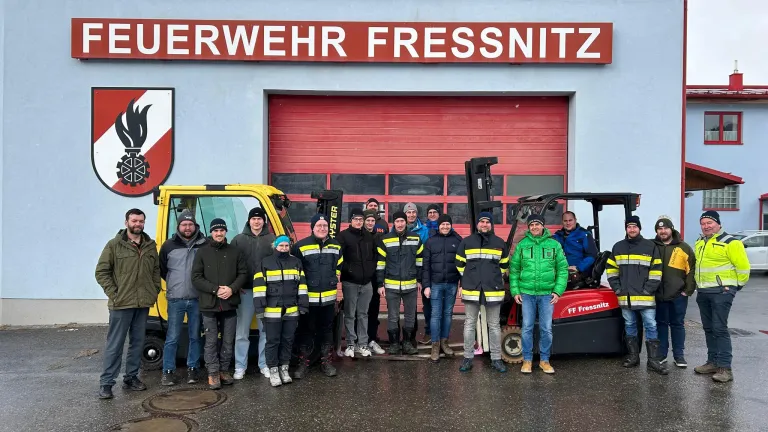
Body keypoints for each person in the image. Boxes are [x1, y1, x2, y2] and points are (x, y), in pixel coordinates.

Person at [95, 208, 161, 399]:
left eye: (141, 221)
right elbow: (101, 272)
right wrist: (114, 294)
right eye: (134, 221)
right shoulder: (114, 245)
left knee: (137, 343)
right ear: (126, 223)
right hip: (121, 304)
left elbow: (155, 270)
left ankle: (131, 378)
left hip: (142, 304)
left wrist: (154, 289)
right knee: (115, 344)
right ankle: (107, 383)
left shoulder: (150, 246)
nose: (137, 224)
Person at [693, 210, 750, 383]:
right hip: (703, 291)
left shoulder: (731, 242)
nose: (706, 226)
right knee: (709, 328)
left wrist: (733, 287)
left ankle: (725, 368)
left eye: (709, 223)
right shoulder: (700, 242)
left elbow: (743, 267)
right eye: (703, 223)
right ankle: (713, 362)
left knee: (719, 328)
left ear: (718, 224)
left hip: (721, 292)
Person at [605, 216, 666, 375]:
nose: (632, 229)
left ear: (640, 228)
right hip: (626, 298)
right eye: (629, 227)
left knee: (651, 326)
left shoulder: (650, 246)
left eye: (634, 227)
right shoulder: (618, 247)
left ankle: (653, 360)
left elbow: (657, 271)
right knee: (630, 326)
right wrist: (618, 289)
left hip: (646, 298)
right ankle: (633, 357)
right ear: (626, 229)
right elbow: (611, 270)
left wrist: (648, 290)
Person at [191, 218, 248, 389]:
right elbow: (196, 278)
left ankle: (224, 370)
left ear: (225, 232)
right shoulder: (202, 252)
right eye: (215, 230)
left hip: (230, 304)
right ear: (211, 232)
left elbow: (243, 273)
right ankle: (213, 373)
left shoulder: (235, 252)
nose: (219, 233)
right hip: (209, 304)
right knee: (210, 340)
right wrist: (215, 289)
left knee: (228, 340)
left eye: (221, 230)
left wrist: (232, 289)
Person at [509, 214, 568, 374]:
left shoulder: (554, 245)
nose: (534, 227)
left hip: (547, 294)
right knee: (527, 327)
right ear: (528, 227)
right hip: (527, 293)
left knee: (546, 328)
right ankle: (527, 360)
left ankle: (544, 360)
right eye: (532, 225)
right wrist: (515, 291)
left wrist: (558, 291)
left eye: (537, 224)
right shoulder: (522, 246)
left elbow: (562, 270)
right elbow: (514, 270)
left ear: (543, 226)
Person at [455, 212, 510, 373]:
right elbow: (459, 263)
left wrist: (492, 277)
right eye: (482, 221)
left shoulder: (500, 243)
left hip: (493, 291)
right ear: (477, 224)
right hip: (472, 290)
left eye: (487, 222)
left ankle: (496, 358)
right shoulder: (467, 242)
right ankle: (467, 358)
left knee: (494, 326)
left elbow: (504, 265)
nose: (484, 224)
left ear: (491, 225)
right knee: (469, 324)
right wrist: (469, 278)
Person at [158, 210, 208, 386]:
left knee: (195, 336)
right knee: (172, 337)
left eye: (190, 224)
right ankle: (168, 371)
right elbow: (163, 270)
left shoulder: (204, 244)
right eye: (184, 224)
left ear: (195, 226)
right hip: (176, 299)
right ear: (178, 226)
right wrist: (174, 283)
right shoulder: (168, 246)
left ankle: (193, 369)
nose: (187, 227)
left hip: (197, 299)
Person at [253, 235, 309, 387]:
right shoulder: (265, 263)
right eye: (281, 245)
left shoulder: (296, 262)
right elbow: (258, 288)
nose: (284, 248)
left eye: (286, 245)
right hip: (271, 310)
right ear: (275, 246)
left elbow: (302, 286)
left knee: (287, 340)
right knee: (272, 341)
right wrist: (260, 309)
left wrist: (303, 305)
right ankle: (273, 370)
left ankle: (284, 368)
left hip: (291, 309)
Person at [292, 213, 342, 378]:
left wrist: (334, 278)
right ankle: (304, 363)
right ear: (312, 228)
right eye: (319, 226)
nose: (322, 228)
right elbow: (296, 273)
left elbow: (339, 266)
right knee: (306, 330)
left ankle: (326, 362)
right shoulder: (300, 246)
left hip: (328, 299)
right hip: (309, 299)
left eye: (325, 226)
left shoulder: (336, 246)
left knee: (326, 330)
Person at [230, 207, 275, 381]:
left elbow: (277, 263)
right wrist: (236, 285)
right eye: (253, 219)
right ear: (249, 221)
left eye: (259, 219)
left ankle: (264, 364)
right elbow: (231, 265)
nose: (257, 222)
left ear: (264, 221)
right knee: (242, 332)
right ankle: (240, 366)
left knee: (266, 330)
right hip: (245, 292)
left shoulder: (272, 240)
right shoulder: (238, 240)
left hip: (266, 292)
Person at [376, 211, 424, 355]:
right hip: (391, 286)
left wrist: (420, 280)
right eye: (397, 221)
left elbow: (420, 262)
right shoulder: (385, 240)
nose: (400, 224)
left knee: (410, 315)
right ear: (393, 223)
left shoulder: (416, 238)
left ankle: (408, 343)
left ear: (406, 222)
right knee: (392, 316)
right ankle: (394, 343)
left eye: (402, 221)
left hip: (411, 285)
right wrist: (380, 284)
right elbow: (380, 264)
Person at [652, 215, 696, 368]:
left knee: (677, 325)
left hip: (678, 295)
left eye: (665, 228)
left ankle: (679, 356)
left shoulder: (683, 248)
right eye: (660, 229)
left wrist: (687, 291)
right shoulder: (652, 246)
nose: (663, 231)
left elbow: (691, 271)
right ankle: (662, 355)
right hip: (658, 295)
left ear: (671, 229)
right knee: (661, 325)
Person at [338, 208, 381, 358]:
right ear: (350, 220)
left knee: (363, 314)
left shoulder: (369, 236)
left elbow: (375, 256)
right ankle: (351, 343)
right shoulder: (343, 236)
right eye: (356, 219)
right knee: (350, 314)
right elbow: (338, 258)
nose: (358, 222)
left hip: (367, 282)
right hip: (350, 282)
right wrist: (347, 271)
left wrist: (370, 271)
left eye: (360, 219)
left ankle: (363, 344)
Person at [422, 214, 462, 362]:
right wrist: (426, 285)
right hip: (436, 284)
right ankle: (435, 344)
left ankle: (445, 343)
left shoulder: (458, 241)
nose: (445, 227)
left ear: (451, 225)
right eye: (442, 224)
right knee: (436, 314)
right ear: (438, 226)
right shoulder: (431, 242)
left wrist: (462, 284)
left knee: (447, 314)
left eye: (447, 224)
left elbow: (463, 265)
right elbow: (426, 266)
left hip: (452, 284)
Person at [359, 209, 387, 354]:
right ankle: (359, 341)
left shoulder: (379, 237)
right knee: (361, 311)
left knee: (373, 311)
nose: (370, 223)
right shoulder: (358, 236)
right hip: (361, 280)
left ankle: (371, 339)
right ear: (363, 221)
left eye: (372, 221)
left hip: (375, 280)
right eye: (368, 220)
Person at [403, 202, 431, 344]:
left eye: (413, 212)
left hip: (421, 271)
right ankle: (410, 337)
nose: (411, 215)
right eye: (408, 212)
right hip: (403, 273)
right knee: (410, 306)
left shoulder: (424, 231)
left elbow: (426, 254)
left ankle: (429, 333)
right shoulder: (396, 228)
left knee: (427, 304)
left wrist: (421, 277)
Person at [552, 211, 598, 282]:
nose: (568, 223)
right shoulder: (558, 236)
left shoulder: (584, 235)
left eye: (570, 220)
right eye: (565, 221)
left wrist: (578, 268)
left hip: (578, 272)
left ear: (575, 220)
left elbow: (592, 255)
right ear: (562, 222)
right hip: (562, 270)